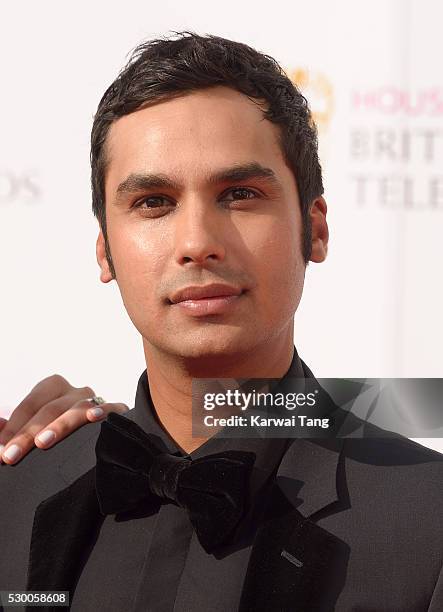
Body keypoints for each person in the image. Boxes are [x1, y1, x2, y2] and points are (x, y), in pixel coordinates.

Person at [0, 31, 442, 612]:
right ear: (105, 251)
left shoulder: (427, 523)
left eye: (238, 193)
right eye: (154, 202)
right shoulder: (18, 494)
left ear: (316, 229)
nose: (197, 243)